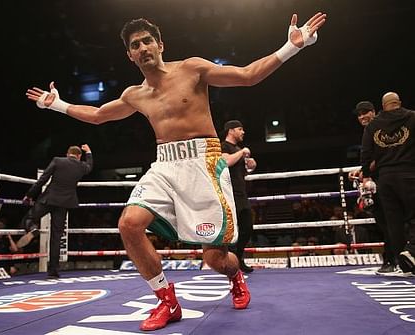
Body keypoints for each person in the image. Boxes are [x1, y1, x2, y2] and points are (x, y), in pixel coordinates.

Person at [26, 13, 326, 331]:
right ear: (129, 55)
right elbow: (99, 115)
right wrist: (57, 104)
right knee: (129, 224)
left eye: (147, 41)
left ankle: (235, 275)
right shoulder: (134, 95)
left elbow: (247, 75)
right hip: (164, 165)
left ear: (160, 44)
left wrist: (290, 47)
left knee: (215, 259)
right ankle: (167, 301)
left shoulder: (192, 68)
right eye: (135, 45)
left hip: (205, 164)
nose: (142, 47)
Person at [17, 144, 93, 278]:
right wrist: (89, 153)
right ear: (79, 155)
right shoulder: (81, 166)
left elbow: (43, 179)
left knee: (28, 218)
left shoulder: (58, 161)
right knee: (56, 237)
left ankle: (33, 228)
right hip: (64, 203)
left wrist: (29, 194)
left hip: (48, 199)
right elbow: (89, 167)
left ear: (67, 153)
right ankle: (53, 270)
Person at [361, 92, 415, 275]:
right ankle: (411, 251)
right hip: (409, 173)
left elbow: (366, 153)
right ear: (399, 103)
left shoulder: (374, 125)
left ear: (383, 107)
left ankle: (403, 264)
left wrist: (366, 176)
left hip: (384, 179)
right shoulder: (412, 117)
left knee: (394, 222)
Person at [348, 101, 397, 275]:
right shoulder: (369, 131)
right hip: (377, 183)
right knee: (384, 223)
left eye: (365, 113)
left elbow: (385, 153)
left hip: (387, 182)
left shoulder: (381, 128)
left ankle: (392, 260)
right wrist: (362, 171)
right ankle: (393, 259)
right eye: (359, 114)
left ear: (374, 112)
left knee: (390, 222)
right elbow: (371, 157)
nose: (362, 117)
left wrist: (366, 171)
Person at [221, 120, 257, 273]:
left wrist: (251, 164)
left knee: (247, 226)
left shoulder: (237, 149)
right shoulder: (223, 146)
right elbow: (226, 162)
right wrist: (242, 153)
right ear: (231, 131)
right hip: (229, 194)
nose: (243, 132)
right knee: (232, 230)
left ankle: (237, 257)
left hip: (241, 194)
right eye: (240, 129)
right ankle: (231, 262)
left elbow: (247, 169)